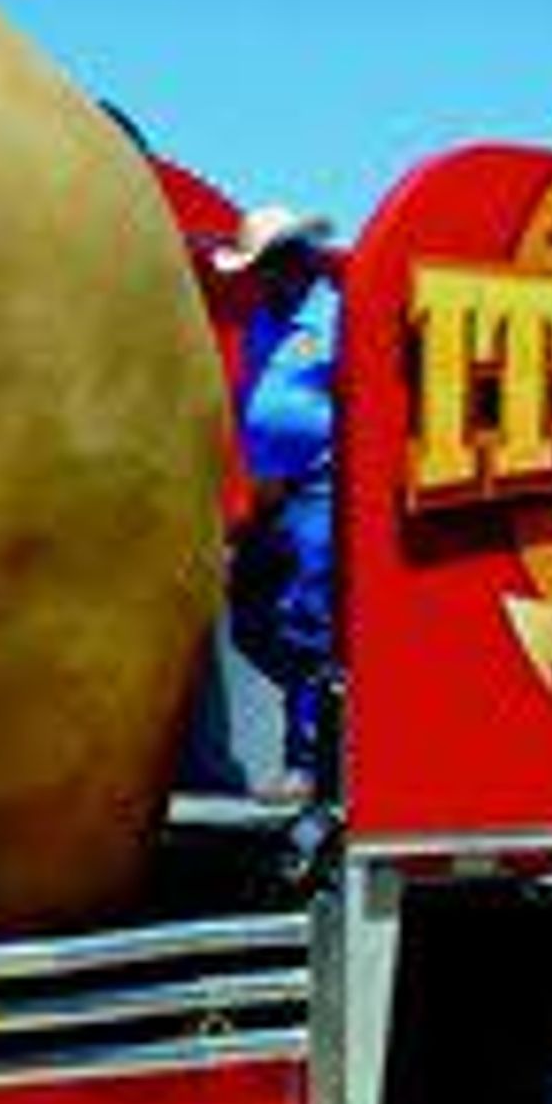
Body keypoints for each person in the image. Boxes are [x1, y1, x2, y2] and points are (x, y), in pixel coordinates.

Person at [213, 205, 339, 797]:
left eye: (264, 267)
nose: (257, 280)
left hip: (322, 484)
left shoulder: (337, 317)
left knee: (307, 615)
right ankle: (327, 707)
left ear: (293, 263)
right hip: (274, 490)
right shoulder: (265, 322)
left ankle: (308, 763)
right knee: (249, 623)